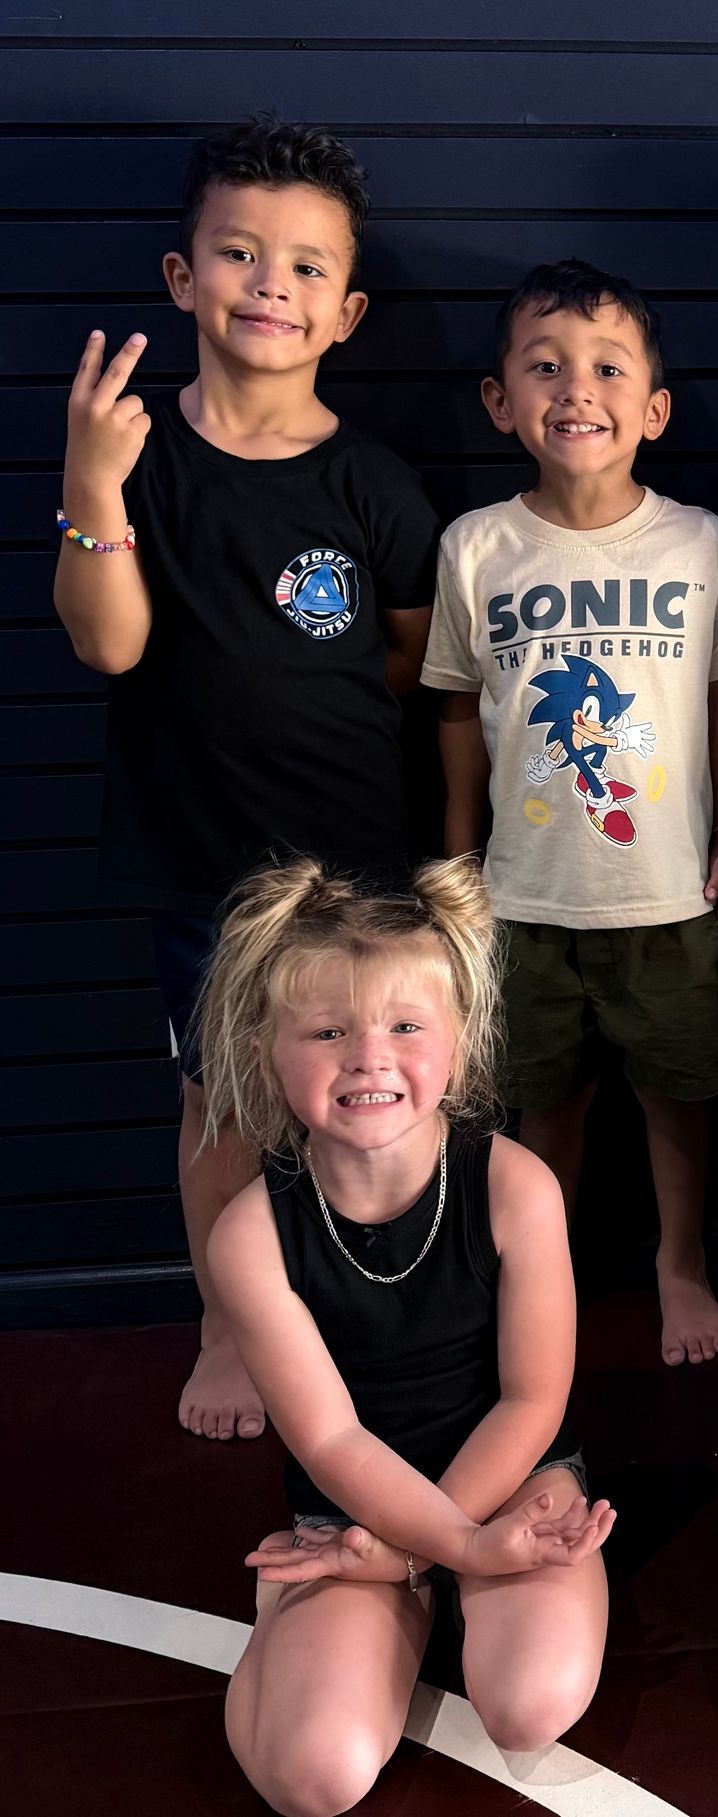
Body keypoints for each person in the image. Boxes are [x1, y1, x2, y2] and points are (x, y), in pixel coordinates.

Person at [52, 114, 439, 1444]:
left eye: (305, 266)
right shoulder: (138, 459)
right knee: (221, 1102)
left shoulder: (374, 485)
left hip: (353, 864)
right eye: (238, 253)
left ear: (347, 309)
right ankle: (226, 1322)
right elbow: (107, 642)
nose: (271, 282)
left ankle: (367, 1303)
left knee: (374, 1089)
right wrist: (90, 483)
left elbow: (400, 660)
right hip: (194, 856)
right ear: (182, 280)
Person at [197, 858, 613, 1815]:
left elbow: (532, 1398)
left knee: (528, 1704)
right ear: (269, 1049)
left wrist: (423, 1553)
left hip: (512, 1470)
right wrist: (441, 1547)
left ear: (459, 1045)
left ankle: (410, 1596)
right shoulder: (251, 1234)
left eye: (404, 1026)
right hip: (353, 1506)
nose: (369, 1056)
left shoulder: (515, 1186)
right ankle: (336, 1627)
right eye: (329, 1030)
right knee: (316, 1777)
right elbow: (334, 1439)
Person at [425, 259, 718, 1366]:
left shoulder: (700, 541)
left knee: (674, 1095)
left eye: (609, 367)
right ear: (498, 398)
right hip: (522, 893)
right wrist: (459, 857)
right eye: (546, 365)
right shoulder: (476, 545)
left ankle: (681, 1261)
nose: (577, 389)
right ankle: (543, 1271)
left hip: (667, 889)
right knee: (540, 1104)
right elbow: (461, 711)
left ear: (654, 408)